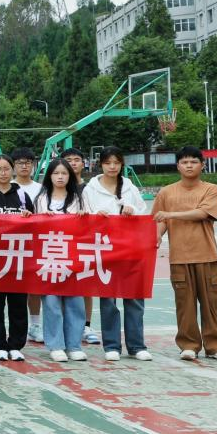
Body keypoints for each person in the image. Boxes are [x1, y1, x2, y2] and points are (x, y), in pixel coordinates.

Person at [152, 146, 217, 361]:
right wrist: (157, 235)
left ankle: (215, 346)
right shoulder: (166, 192)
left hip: (207, 256)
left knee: (211, 305)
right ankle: (188, 345)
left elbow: (203, 213)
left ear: (202, 165)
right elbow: (159, 220)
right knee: (184, 305)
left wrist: (170, 214)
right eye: (184, 162)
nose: (189, 166)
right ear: (178, 166)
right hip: (179, 257)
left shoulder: (211, 189)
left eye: (194, 162)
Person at [82, 147, 151, 361]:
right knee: (108, 299)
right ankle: (111, 346)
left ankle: (136, 346)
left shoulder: (129, 187)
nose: (112, 167)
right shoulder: (90, 189)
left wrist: (132, 210)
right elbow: (84, 216)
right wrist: (96, 215)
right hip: (105, 249)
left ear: (122, 164)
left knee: (134, 297)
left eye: (116, 162)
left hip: (131, 248)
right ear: (100, 165)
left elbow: (143, 212)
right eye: (108, 162)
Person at [0, 153, 34, 362]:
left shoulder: (21, 195)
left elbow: (34, 224)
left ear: (12, 170)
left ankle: (16, 345)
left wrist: (28, 217)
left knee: (18, 304)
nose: (3, 173)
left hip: (18, 259)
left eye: (6, 169)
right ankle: (1, 345)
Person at [36, 159, 88, 362]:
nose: (60, 177)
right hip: (49, 257)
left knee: (75, 302)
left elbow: (90, 226)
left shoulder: (78, 198)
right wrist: (41, 218)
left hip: (73, 257)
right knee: (51, 302)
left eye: (64, 173)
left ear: (70, 176)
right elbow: (32, 227)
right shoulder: (41, 199)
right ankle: (56, 345)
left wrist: (85, 216)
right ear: (49, 176)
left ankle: (74, 345)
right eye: (56, 173)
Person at [62, 146, 100, 347]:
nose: (73, 163)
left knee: (86, 284)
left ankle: (86, 325)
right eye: (69, 160)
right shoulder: (57, 187)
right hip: (61, 243)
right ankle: (63, 325)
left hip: (85, 242)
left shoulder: (92, 188)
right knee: (61, 285)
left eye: (76, 159)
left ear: (83, 163)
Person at [11, 148, 46, 344]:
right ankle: (17, 326)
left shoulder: (42, 189)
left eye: (28, 162)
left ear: (33, 165)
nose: (24, 166)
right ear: (13, 166)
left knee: (35, 286)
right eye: (20, 162)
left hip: (36, 243)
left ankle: (35, 325)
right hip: (12, 245)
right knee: (14, 289)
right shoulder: (7, 187)